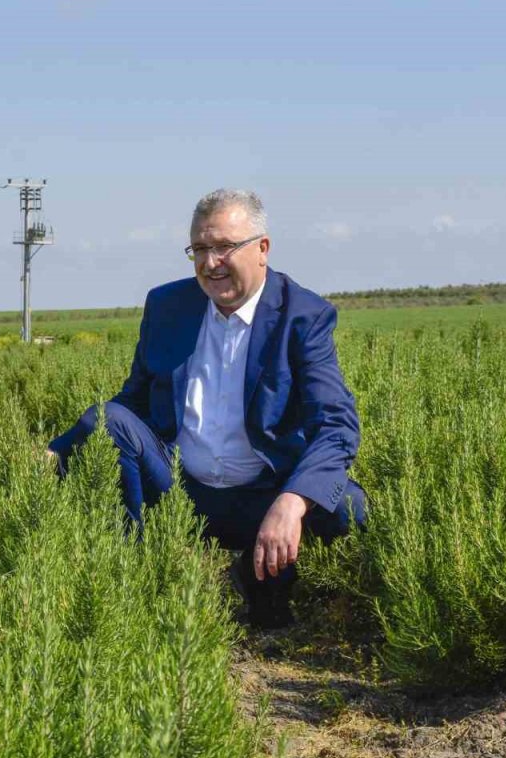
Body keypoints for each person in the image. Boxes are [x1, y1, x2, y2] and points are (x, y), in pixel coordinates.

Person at [48, 189, 366, 629]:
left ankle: (273, 589)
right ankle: (139, 589)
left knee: (347, 507)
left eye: (223, 247)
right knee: (104, 422)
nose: (209, 262)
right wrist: (56, 451)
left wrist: (293, 501)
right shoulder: (168, 307)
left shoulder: (303, 316)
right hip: (179, 491)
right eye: (199, 248)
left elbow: (336, 425)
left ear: (262, 249)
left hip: (262, 497)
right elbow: (132, 402)